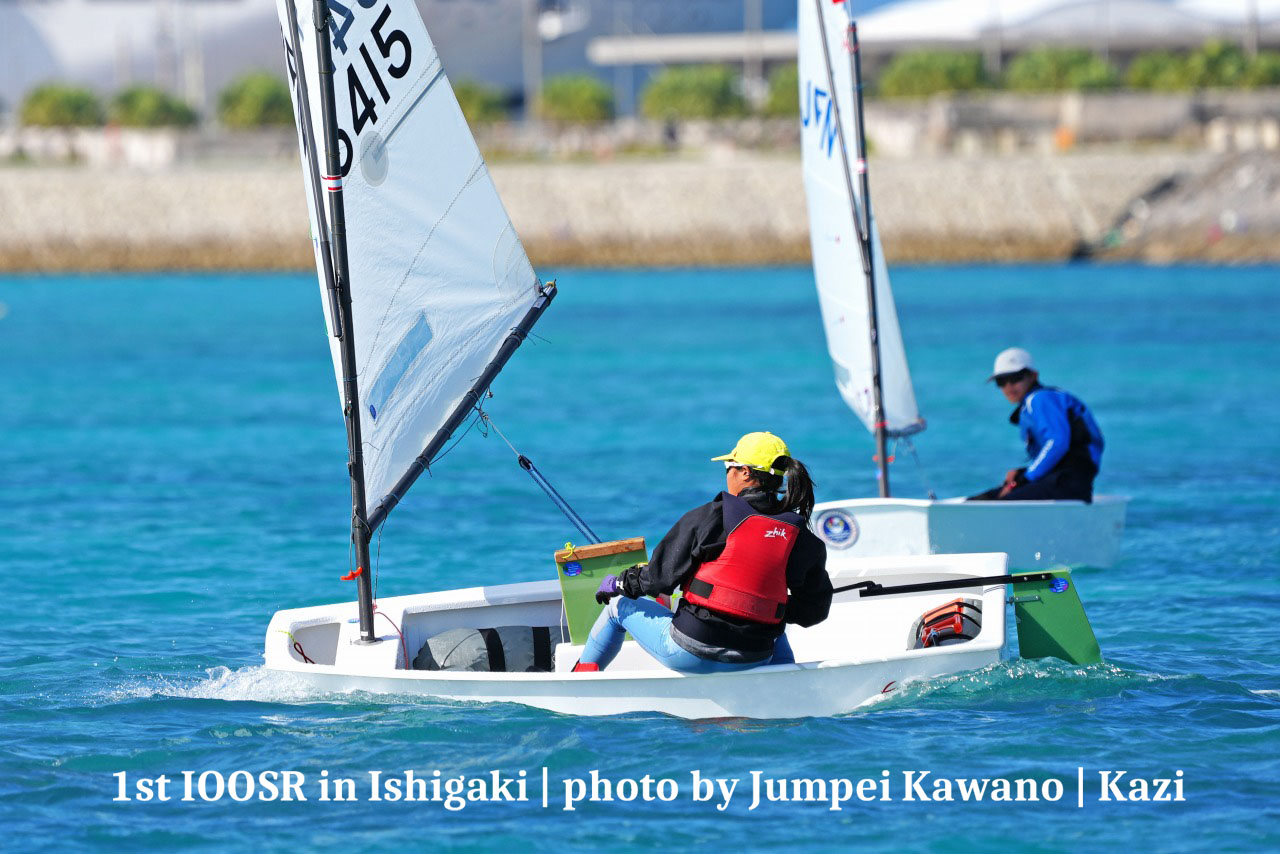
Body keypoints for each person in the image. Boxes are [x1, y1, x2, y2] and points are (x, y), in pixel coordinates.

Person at [573, 431, 832, 674]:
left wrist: (619, 583)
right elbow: (814, 611)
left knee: (617, 606)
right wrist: (760, 606)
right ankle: (784, 682)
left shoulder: (711, 516)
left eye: (729, 467)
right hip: (756, 658)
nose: (727, 474)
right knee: (774, 625)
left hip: (689, 652)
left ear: (744, 472)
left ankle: (579, 683)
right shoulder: (800, 537)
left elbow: (658, 579)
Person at [968, 347, 1105, 503]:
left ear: (1033, 376)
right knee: (981, 500)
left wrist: (1026, 477)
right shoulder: (1031, 405)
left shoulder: (1040, 399)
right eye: (1001, 381)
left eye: (1015, 378)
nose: (1009, 386)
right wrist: (1022, 474)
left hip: (1069, 480)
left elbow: (1057, 442)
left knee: (997, 502)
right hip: (1058, 478)